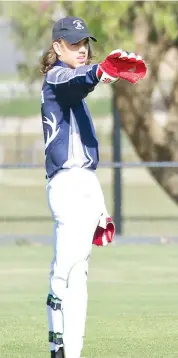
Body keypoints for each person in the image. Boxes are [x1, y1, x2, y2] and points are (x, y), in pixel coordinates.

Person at [40, 16, 147, 358]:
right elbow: (78, 81)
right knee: (66, 268)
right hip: (67, 184)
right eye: (74, 43)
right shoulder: (56, 76)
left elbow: (86, 161)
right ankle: (56, 344)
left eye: (84, 43)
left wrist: (99, 206)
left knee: (80, 275)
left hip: (83, 183)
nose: (82, 49)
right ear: (57, 47)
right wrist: (101, 72)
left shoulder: (73, 85)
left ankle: (72, 352)